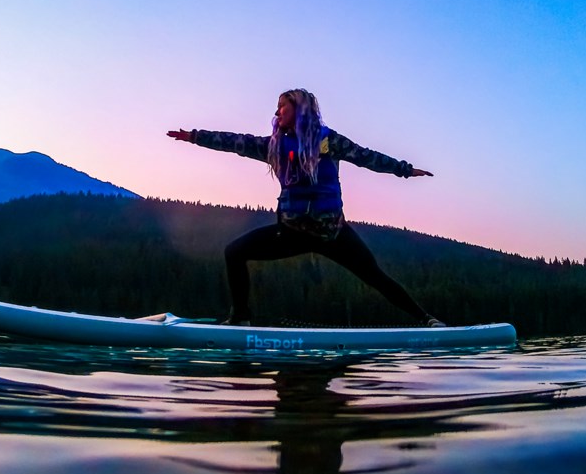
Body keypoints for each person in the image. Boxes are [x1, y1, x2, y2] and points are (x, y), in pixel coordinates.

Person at [166, 88, 445, 328]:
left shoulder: (328, 141)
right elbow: (235, 142)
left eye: (281, 107)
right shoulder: (273, 146)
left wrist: (404, 170)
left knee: (375, 276)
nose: (276, 113)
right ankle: (240, 317)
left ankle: (426, 320)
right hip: (291, 232)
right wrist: (194, 136)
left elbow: (366, 157)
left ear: (299, 110)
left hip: (332, 233)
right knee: (234, 252)